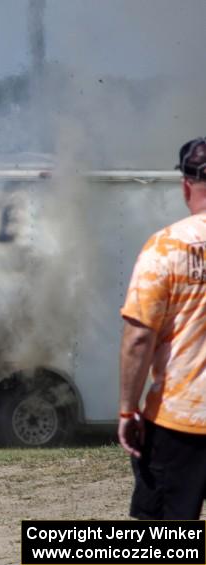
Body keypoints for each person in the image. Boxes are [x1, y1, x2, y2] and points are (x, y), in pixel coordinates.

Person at [119, 137, 206, 519]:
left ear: (186, 185)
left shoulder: (166, 248)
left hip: (180, 422)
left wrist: (127, 411)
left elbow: (139, 338)